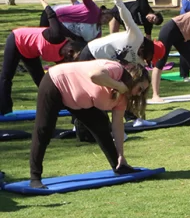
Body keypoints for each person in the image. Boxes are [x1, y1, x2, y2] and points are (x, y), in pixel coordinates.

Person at [28, 59, 150, 189]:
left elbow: (117, 125)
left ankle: (119, 166)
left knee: (101, 125)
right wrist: (119, 86)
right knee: (44, 130)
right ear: (134, 78)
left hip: (78, 101)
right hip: (56, 83)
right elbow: (95, 75)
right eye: (140, 89)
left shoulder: (123, 98)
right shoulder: (117, 70)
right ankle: (35, 177)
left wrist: (121, 155)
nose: (139, 94)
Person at [76, 0, 156, 128]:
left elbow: (138, 84)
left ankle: (134, 118)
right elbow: (127, 18)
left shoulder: (139, 62)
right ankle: (77, 123)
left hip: (105, 63)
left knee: (126, 85)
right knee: (85, 89)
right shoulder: (136, 37)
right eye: (147, 58)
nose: (144, 61)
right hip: (91, 53)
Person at [0, 0, 85, 115]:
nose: (68, 56)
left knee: (42, 81)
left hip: (30, 53)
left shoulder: (63, 56)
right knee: (6, 77)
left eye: (70, 57)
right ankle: (4, 108)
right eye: (70, 53)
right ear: (69, 45)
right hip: (17, 40)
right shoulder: (57, 35)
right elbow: (50, 14)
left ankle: (57, 104)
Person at [39, 0, 115, 42]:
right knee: (43, 38)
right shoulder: (94, 10)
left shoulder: (97, 31)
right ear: (103, 12)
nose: (106, 20)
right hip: (51, 14)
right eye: (107, 17)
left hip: (62, 28)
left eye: (108, 21)